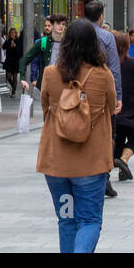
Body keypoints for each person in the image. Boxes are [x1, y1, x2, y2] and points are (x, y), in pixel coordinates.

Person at [35, 19, 118, 253]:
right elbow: (112, 107)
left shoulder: (50, 73)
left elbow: (44, 107)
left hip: (56, 163)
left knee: (66, 220)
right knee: (89, 220)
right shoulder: (103, 74)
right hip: (90, 164)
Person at [82, 0, 123, 198]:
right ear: (101, 17)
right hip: (99, 89)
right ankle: (103, 175)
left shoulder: (74, 33)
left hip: (77, 89)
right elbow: (114, 67)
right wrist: (118, 97)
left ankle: (81, 172)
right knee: (107, 134)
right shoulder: (106, 36)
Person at [111, 30, 134, 181]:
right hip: (133, 110)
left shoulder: (108, 65)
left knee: (118, 139)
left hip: (115, 110)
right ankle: (124, 160)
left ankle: (116, 169)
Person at [19, 15, 66, 92]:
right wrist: (23, 78)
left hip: (64, 85)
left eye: (63, 24)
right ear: (53, 25)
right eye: (58, 23)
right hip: (47, 85)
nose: (61, 26)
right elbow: (25, 59)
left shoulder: (69, 42)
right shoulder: (44, 41)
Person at [4, 28, 23, 97]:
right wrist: (7, 42)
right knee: (8, 76)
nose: (12, 34)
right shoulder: (8, 40)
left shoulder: (18, 41)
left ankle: (13, 92)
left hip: (15, 61)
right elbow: (3, 47)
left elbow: (19, 52)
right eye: (11, 33)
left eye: (14, 33)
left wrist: (15, 47)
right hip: (9, 60)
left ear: (15, 34)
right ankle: (13, 87)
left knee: (15, 77)